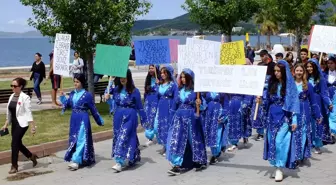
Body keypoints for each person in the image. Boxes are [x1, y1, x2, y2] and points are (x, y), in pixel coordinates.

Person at [261, 60, 300, 182]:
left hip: (284, 117)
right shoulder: (271, 84)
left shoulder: (290, 86)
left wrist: (294, 120)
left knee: (279, 142)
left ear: (284, 72)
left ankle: (279, 167)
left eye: (279, 71)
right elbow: (266, 100)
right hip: (271, 116)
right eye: (275, 71)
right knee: (272, 141)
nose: (276, 73)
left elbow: (294, 103)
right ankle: (276, 166)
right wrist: (260, 100)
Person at [105, 69, 147, 172]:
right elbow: (112, 104)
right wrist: (108, 98)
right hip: (118, 116)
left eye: (124, 77)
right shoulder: (116, 90)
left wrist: (144, 120)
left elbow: (140, 107)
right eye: (121, 77)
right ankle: (133, 156)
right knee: (120, 136)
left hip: (130, 116)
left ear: (129, 77)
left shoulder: (135, 91)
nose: (122, 79)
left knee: (123, 136)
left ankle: (119, 161)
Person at [166, 68, 207, 175]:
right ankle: (177, 164)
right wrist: (171, 119)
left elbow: (203, 106)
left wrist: (199, 104)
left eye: (185, 77)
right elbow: (175, 105)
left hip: (191, 119)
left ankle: (198, 160)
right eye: (182, 77)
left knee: (193, 139)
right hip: (179, 119)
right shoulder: (179, 90)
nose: (183, 79)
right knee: (178, 140)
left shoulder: (196, 91)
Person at [59, 74, 104, 171]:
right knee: (74, 138)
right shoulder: (72, 93)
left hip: (83, 118)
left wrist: (99, 120)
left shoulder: (87, 95)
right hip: (74, 118)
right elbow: (67, 105)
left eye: (77, 82)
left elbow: (93, 109)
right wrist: (62, 98)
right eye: (74, 81)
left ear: (82, 83)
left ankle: (76, 161)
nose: (75, 83)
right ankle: (81, 158)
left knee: (81, 139)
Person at [1, 77, 38, 174]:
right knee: (18, 143)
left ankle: (14, 166)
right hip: (13, 122)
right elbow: (9, 112)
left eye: (15, 86)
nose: (12, 88)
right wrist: (5, 124)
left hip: (22, 124)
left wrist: (32, 127)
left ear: (20, 87)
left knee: (14, 143)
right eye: (11, 86)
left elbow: (28, 113)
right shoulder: (11, 96)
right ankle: (31, 156)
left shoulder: (25, 97)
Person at [292, 64, 322, 168]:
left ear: (304, 72)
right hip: (292, 112)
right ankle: (293, 155)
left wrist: (318, 115)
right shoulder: (290, 84)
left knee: (303, 133)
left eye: (301, 71)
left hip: (304, 112)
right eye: (297, 70)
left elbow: (313, 102)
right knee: (293, 134)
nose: (299, 72)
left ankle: (299, 156)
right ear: (294, 71)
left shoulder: (308, 85)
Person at [305, 58, 333, 153]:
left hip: (317, 103)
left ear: (315, 67)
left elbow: (324, 93)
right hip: (307, 102)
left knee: (317, 123)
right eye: (308, 66)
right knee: (308, 123)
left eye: (311, 66)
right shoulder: (305, 78)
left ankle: (316, 144)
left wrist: (328, 103)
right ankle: (308, 143)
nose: (309, 68)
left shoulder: (320, 79)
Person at [155, 65, 178, 156]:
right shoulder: (160, 84)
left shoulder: (173, 85)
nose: (162, 74)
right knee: (159, 126)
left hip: (169, 107)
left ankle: (168, 146)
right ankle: (164, 144)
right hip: (161, 107)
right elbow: (157, 96)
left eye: (164, 73)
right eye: (161, 73)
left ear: (168, 73)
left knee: (168, 126)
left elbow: (176, 98)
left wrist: (173, 109)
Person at [143, 65, 160, 146]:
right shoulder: (148, 79)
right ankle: (150, 137)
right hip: (148, 101)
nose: (150, 70)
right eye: (149, 68)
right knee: (148, 118)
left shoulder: (160, 79)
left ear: (156, 69)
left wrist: (159, 84)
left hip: (156, 102)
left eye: (152, 68)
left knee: (155, 119)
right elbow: (145, 91)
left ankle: (159, 136)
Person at [324, 57, 336, 140]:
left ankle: (332, 133)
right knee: (326, 113)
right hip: (326, 96)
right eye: (328, 63)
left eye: (331, 63)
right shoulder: (323, 73)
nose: (330, 65)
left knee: (333, 114)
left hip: (335, 95)